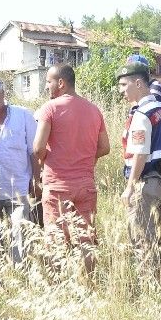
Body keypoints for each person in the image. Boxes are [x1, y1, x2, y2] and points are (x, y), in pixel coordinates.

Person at [32, 64, 110, 273]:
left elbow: (38, 147)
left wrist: (48, 160)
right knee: (86, 239)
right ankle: (89, 281)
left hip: (57, 186)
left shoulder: (50, 108)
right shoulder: (94, 110)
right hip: (86, 185)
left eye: (48, 81)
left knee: (56, 240)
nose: (46, 86)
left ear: (61, 83)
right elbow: (105, 147)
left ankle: (59, 284)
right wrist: (86, 159)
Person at [117, 62, 161, 276]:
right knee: (157, 239)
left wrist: (129, 187)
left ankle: (150, 282)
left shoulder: (142, 114)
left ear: (138, 83)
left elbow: (140, 154)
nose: (121, 90)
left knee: (142, 238)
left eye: (124, 85)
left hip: (147, 184)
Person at [0, 77, 38, 265]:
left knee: (21, 238)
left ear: (3, 93)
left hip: (19, 187)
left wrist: (36, 179)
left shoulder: (23, 115)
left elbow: (34, 151)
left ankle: (20, 275)